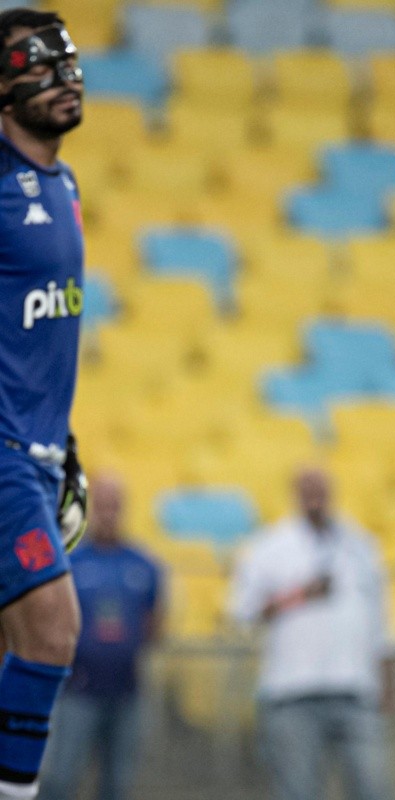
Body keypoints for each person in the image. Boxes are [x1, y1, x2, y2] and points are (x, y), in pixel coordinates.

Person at [0, 8, 89, 800]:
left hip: (34, 449)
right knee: (53, 630)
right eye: (39, 65)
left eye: (68, 64)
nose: (64, 80)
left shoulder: (61, 185)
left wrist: (60, 443)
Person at [228, 466, 395, 800]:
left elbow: (383, 627)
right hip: (293, 695)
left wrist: (388, 687)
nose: (314, 496)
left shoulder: (361, 546)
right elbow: (243, 614)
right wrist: (298, 596)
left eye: (320, 488)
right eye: (307, 488)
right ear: (295, 493)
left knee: (372, 788)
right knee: (299, 791)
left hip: (354, 691)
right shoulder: (270, 546)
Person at [38, 472, 163, 800]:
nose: (109, 514)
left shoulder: (144, 564)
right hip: (76, 691)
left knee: (117, 783)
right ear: (92, 507)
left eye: (115, 506)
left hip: (126, 693)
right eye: (103, 506)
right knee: (61, 778)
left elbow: (154, 621)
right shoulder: (70, 561)